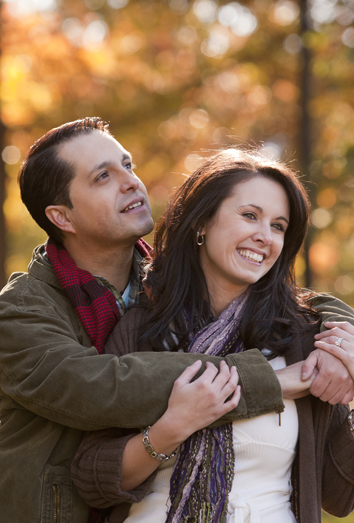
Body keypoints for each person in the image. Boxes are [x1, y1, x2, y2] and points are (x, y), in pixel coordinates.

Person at [0, 118, 319, 523]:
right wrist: (269, 380)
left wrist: (339, 325)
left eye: (127, 165)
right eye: (103, 177)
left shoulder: (161, 288)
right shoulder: (21, 312)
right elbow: (105, 386)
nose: (131, 182)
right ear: (63, 217)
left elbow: (283, 295)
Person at [71, 148, 354, 523]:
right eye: (250, 216)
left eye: (278, 226)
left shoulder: (304, 341)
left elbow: (341, 495)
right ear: (202, 222)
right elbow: (93, 480)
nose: (264, 236)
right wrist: (173, 427)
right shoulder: (142, 330)